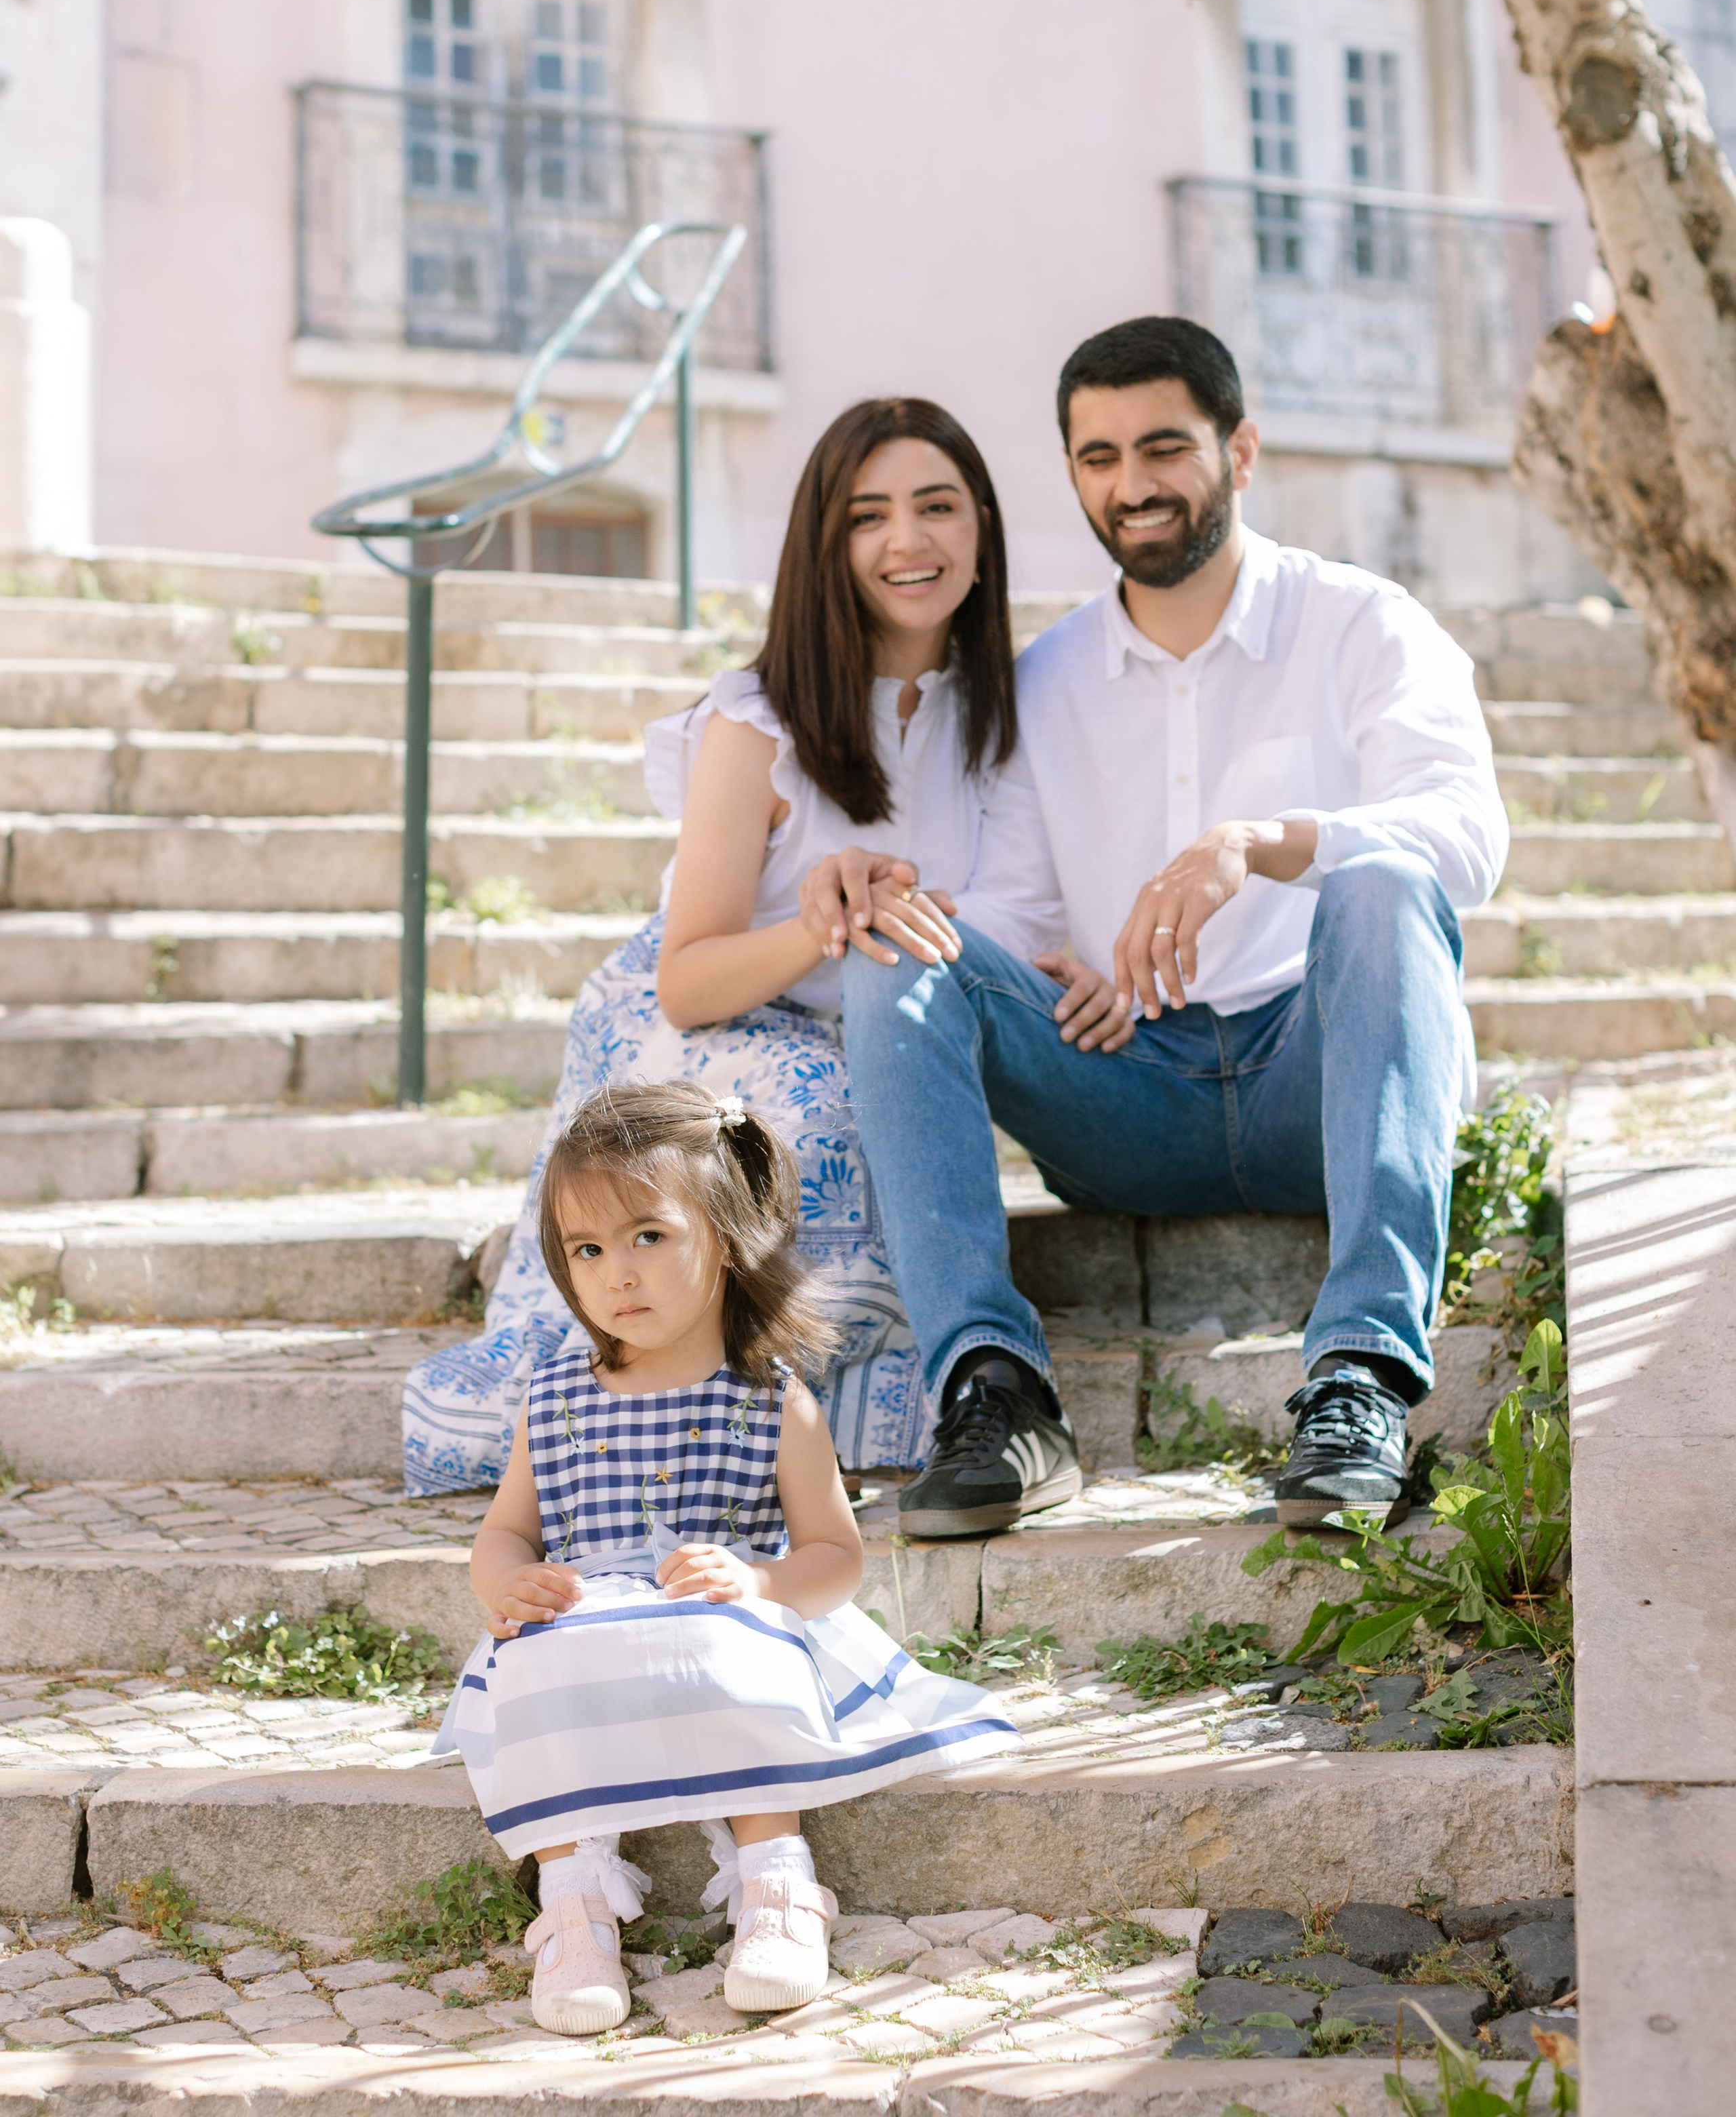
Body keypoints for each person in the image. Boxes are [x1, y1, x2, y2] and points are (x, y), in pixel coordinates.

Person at [806, 315, 1509, 1541]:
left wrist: (1256, 841)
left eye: (1163, 448)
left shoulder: (1363, 623)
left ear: (1239, 450)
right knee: (900, 946)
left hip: (1320, 1077)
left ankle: (1360, 1380)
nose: (1131, 487)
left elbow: (1466, 839)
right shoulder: (1041, 682)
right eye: (1098, 458)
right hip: (1129, 1086)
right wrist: (1020, 955)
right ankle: (996, 1389)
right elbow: (1015, 909)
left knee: (1385, 879)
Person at [402, 397, 1121, 1496]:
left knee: (882, 1068)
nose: (906, 542)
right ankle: (708, 1400)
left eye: (937, 507)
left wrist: (901, 918)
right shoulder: (757, 720)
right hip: (710, 1017)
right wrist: (822, 921)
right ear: (825, 548)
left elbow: (1020, 923)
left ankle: (877, 1393)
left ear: (982, 525)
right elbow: (687, 979)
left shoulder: (1004, 718)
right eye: (867, 517)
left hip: (883, 1008)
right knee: (828, 1103)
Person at [439, 1082, 1017, 2035]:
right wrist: (509, 1580)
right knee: (539, 1658)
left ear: (724, 1235)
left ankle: (774, 1881)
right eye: (587, 1250)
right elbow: (507, 1528)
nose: (617, 1273)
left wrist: (759, 1583)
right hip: (588, 1624)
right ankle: (574, 1901)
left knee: (744, 1650)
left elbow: (835, 1555)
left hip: (717, 1613)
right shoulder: (555, 1402)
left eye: (647, 1237)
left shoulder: (769, 1401)